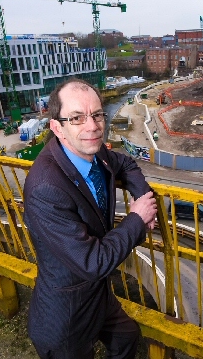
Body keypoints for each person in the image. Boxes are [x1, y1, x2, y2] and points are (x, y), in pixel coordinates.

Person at [23, 79, 157, 359]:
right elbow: (92, 262)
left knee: (127, 338)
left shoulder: (93, 152)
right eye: (77, 118)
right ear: (57, 128)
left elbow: (126, 164)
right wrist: (137, 218)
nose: (92, 126)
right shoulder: (45, 188)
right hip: (67, 313)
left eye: (97, 114)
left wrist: (143, 197)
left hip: (98, 294)